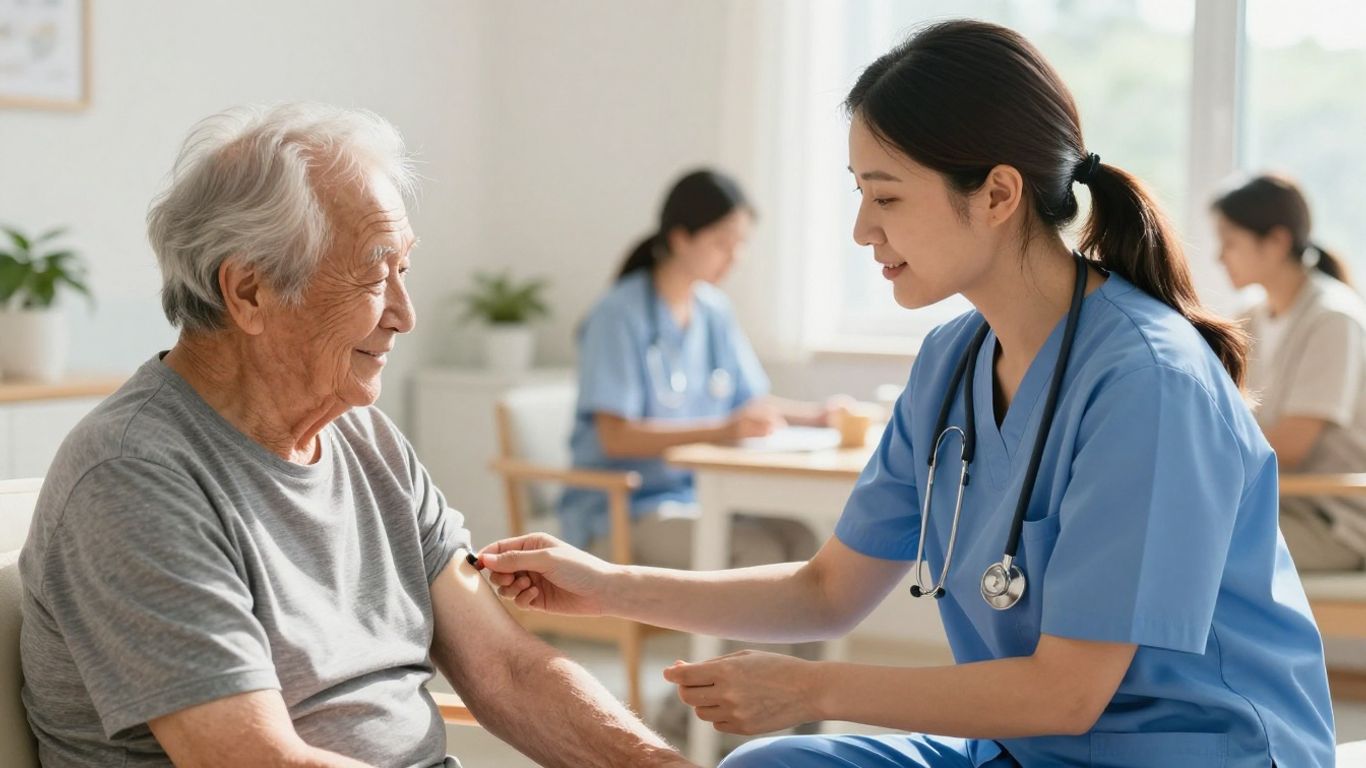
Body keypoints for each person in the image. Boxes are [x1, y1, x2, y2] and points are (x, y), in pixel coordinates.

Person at [477, 21, 1334, 767]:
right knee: (772, 765)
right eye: (859, 194)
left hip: (1190, 754)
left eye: (885, 196)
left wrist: (811, 686)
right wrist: (608, 584)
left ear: (997, 194)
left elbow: (1068, 695)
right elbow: (827, 591)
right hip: (1027, 755)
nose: (862, 230)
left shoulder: (1149, 381)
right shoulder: (952, 361)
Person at [18, 104, 695, 768]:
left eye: (404, 269)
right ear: (249, 291)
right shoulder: (133, 477)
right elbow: (256, 760)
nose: (405, 313)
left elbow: (507, 669)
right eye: (376, 273)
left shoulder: (368, 442)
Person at [560, 168, 836, 569]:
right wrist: (723, 430)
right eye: (722, 243)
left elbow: (749, 402)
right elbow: (615, 438)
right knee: (757, 554)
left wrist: (818, 417)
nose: (734, 257)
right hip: (623, 511)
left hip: (696, 496)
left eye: (741, 244)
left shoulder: (713, 310)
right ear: (680, 238)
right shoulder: (618, 315)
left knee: (803, 541)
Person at [1213, 174, 1366, 571]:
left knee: (1189, 545)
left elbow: (1291, 448)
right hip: (1279, 506)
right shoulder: (1249, 317)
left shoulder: (1333, 318)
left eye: (1230, 241)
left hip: (1331, 518)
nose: (1219, 256)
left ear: (1277, 242)